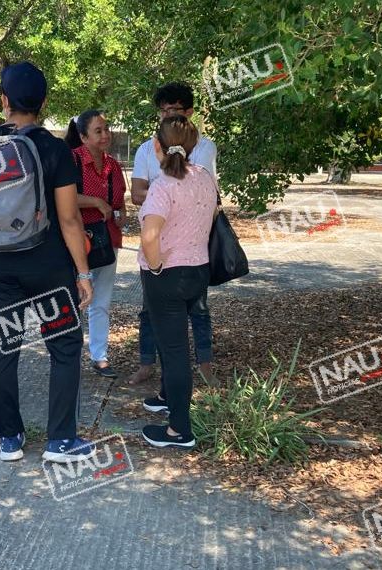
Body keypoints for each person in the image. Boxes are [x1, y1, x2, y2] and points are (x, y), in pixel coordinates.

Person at [0, 61, 97, 463]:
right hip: (47, 265)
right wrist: (83, 274)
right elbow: (69, 220)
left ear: (3, 101)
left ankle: (9, 439)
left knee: (4, 347)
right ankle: (60, 441)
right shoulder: (55, 150)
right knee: (65, 346)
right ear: (43, 102)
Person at [129, 82, 217, 386]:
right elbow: (136, 193)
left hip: (186, 250)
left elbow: (203, 196)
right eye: (163, 110)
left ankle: (200, 369)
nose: (167, 115)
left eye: (174, 110)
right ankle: (148, 364)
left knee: (197, 312)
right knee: (150, 313)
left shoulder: (205, 147)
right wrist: (169, 192)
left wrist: (161, 194)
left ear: (188, 113)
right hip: (169, 254)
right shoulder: (146, 150)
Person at [137, 115, 217, 449]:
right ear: (194, 144)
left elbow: (150, 235)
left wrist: (155, 268)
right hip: (197, 270)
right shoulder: (205, 180)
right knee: (176, 339)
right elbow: (211, 215)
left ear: (157, 145)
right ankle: (168, 397)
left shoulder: (163, 185)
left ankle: (179, 430)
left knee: (173, 349)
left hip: (166, 276)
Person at [64, 110, 127, 379]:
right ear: (82, 136)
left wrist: (121, 213)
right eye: (98, 131)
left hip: (107, 240)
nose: (105, 135)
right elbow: (64, 198)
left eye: (106, 129)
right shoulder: (72, 160)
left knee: (101, 301)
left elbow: (120, 200)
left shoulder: (113, 165)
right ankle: (68, 355)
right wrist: (95, 202)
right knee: (75, 298)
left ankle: (99, 356)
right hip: (78, 241)